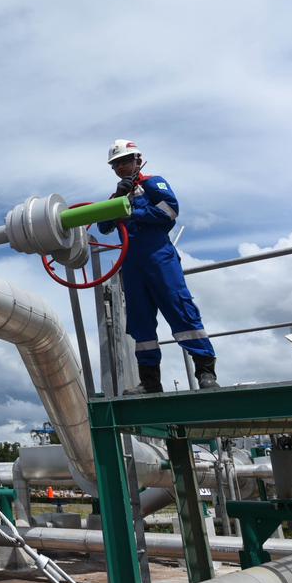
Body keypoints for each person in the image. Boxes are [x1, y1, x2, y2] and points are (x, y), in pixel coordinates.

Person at [96, 140, 218, 394]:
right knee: (140, 322)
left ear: (138, 160)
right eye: (116, 164)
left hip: (159, 258)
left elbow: (170, 211)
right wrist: (118, 198)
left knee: (180, 309)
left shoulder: (153, 183)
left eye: (125, 161)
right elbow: (103, 226)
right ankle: (150, 382)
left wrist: (132, 213)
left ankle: (205, 372)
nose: (121, 167)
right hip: (131, 265)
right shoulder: (117, 195)